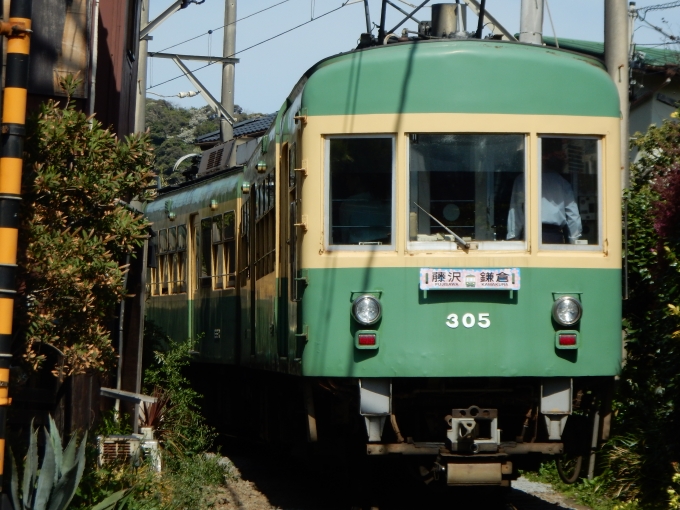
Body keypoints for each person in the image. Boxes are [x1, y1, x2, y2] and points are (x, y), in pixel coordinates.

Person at [506, 172, 582, 244]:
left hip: (531, 235)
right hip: (554, 237)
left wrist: (513, 237)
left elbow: (516, 211)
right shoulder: (561, 181)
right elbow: (573, 214)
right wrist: (574, 241)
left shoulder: (523, 179)